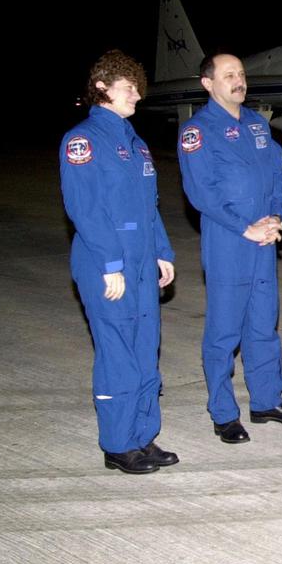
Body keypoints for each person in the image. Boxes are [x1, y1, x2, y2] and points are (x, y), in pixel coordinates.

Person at [178, 53, 282, 444]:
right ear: (208, 83)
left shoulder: (257, 124)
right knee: (223, 333)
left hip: (264, 240)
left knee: (263, 326)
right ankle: (223, 413)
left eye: (242, 74)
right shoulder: (197, 131)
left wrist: (276, 217)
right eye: (229, 75)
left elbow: (277, 172)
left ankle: (267, 401)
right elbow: (201, 192)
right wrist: (245, 227)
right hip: (228, 241)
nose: (240, 81)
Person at [60, 50, 177, 474]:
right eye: (129, 88)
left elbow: (151, 206)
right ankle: (117, 444)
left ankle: (143, 436)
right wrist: (111, 264)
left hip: (143, 260)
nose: (137, 97)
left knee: (146, 350)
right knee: (117, 356)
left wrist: (163, 252)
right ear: (103, 87)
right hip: (105, 262)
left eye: (138, 89)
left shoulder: (136, 142)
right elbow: (85, 209)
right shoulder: (83, 141)